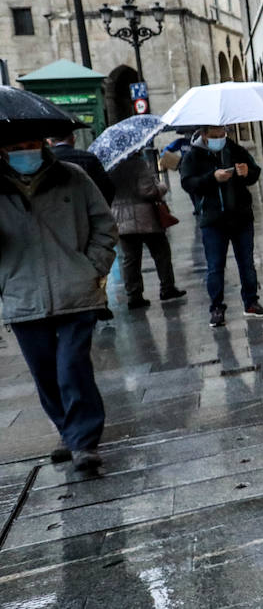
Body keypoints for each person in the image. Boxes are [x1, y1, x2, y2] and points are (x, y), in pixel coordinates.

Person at [0, 136, 118, 471]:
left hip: (75, 291)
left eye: (32, 142)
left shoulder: (73, 176)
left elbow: (105, 225)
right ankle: (68, 430)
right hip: (22, 295)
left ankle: (84, 441)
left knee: (71, 365)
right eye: (17, 145)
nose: (26, 149)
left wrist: (91, 267)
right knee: (45, 373)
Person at [179, 125, 263, 327]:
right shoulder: (193, 155)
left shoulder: (234, 148)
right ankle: (217, 308)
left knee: (247, 263)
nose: (220, 138)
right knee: (215, 267)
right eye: (215, 136)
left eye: (222, 134)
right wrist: (212, 178)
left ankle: (251, 302)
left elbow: (254, 172)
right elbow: (187, 183)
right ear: (204, 135)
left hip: (241, 216)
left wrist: (247, 172)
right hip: (213, 220)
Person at [109, 151, 186, 308]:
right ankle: (167, 288)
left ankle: (134, 295)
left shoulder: (110, 166)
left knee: (130, 259)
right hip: (146, 218)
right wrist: (161, 187)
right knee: (161, 253)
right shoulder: (139, 164)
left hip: (121, 219)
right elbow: (147, 191)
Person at [48, 129, 115, 205]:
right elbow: (107, 188)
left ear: (49, 142)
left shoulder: (45, 161)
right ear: (74, 139)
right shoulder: (89, 158)